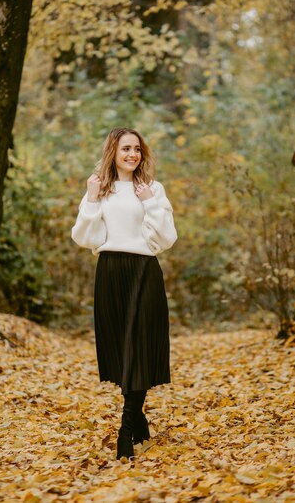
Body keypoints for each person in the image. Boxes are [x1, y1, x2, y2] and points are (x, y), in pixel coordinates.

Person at [71, 127, 177, 460]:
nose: (132, 154)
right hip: (111, 272)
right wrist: (90, 199)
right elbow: (84, 237)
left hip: (144, 271)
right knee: (121, 350)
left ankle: (126, 430)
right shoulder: (99, 189)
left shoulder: (153, 189)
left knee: (140, 347)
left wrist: (150, 205)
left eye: (136, 149)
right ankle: (141, 422)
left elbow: (168, 237)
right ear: (113, 153)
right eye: (125, 149)